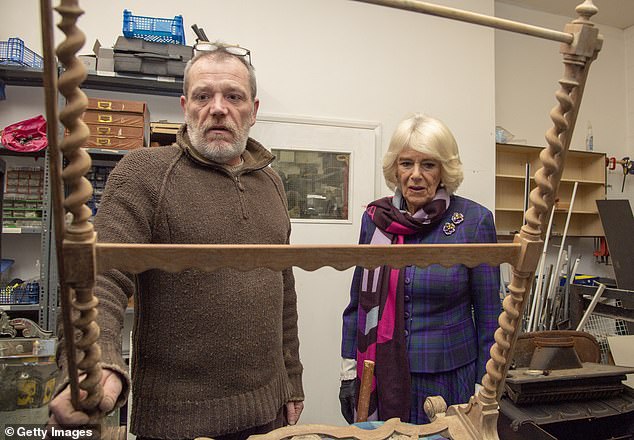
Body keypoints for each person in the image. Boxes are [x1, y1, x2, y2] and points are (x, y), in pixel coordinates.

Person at [49, 42, 305, 439]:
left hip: (267, 410)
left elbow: (282, 286)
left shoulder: (270, 182)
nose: (218, 107)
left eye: (233, 96)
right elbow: (101, 278)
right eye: (204, 96)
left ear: (253, 111)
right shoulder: (143, 173)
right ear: (186, 106)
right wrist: (91, 365)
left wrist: (292, 377)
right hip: (180, 420)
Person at [339, 114, 501, 424]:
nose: (415, 175)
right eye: (406, 163)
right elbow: (358, 301)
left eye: (428, 164)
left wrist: (486, 386)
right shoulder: (375, 220)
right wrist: (349, 370)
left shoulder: (473, 221)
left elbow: (490, 314)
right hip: (381, 372)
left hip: (450, 377)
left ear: (444, 170)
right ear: (395, 168)